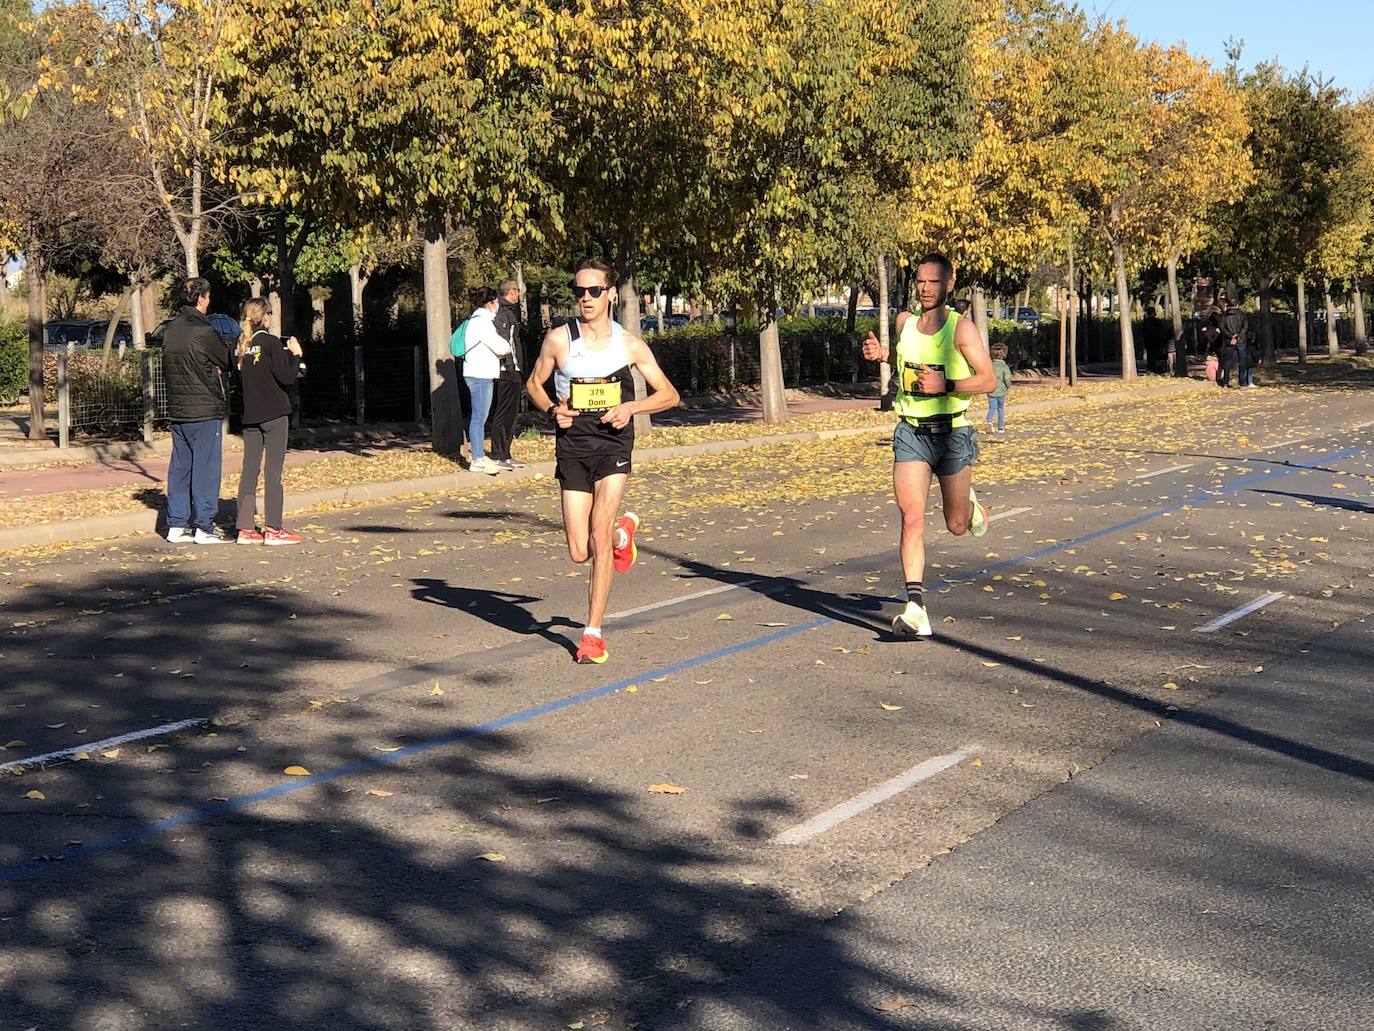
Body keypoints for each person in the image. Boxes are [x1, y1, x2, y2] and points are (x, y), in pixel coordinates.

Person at [525, 257, 681, 664]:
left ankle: (592, 633)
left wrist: (631, 407)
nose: (586, 298)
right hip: (573, 444)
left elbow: (669, 394)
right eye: (579, 291)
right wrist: (550, 412)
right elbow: (533, 384)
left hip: (613, 443)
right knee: (580, 550)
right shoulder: (560, 339)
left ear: (610, 294)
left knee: (597, 530)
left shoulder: (628, 343)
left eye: (594, 291)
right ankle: (621, 537)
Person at [861, 253, 996, 638]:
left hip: (952, 434)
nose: (924, 288)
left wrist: (947, 385)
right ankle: (916, 608)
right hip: (911, 433)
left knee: (955, 525)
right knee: (912, 518)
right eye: (920, 281)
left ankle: (969, 506)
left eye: (933, 282)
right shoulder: (904, 323)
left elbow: (988, 380)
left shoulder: (961, 330)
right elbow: (905, 359)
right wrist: (882, 355)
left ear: (948, 285)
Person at [163, 277, 232, 544]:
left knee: (180, 467)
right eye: (208, 296)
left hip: (178, 408)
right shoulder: (203, 330)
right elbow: (225, 360)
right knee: (206, 468)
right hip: (204, 408)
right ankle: (204, 525)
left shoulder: (171, 329)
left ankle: (177, 524)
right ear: (202, 298)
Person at [234, 298, 303, 545]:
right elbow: (286, 378)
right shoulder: (271, 343)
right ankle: (273, 528)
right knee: (273, 473)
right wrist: (297, 357)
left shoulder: (242, 344)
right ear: (265, 317)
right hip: (274, 414)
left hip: (250, 416)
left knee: (249, 472)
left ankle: (244, 528)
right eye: (271, 313)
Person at [461, 285, 512, 475]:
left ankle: (480, 456)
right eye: (496, 301)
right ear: (490, 302)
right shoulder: (482, 321)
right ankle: (478, 459)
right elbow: (501, 347)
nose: (498, 305)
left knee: (479, 417)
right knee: (479, 418)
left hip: (478, 372)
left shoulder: (475, 319)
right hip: (480, 374)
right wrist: (506, 345)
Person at [488, 278, 525, 470]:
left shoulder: (509, 312)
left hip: (513, 370)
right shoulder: (502, 314)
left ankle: (506, 453)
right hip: (506, 371)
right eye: (517, 291)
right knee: (503, 413)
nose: (519, 295)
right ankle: (498, 454)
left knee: (512, 414)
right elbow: (505, 344)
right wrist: (511, 367)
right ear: (511, 292)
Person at [1220, 294, 1248, 388]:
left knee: (1227, 361)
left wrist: (1231, 336)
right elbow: (1245, 327)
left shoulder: (1224, 316)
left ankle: (1225, 382)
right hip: (1241, 340)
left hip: (1229, 341)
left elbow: (1222, 328)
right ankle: (1243, 383)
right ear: (1237, 305)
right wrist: (1238, 336)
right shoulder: (1242, 315)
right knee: (1242, 362)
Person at [987, 342, 1012, 433]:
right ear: (1004, 354)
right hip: (1001, 391)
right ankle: (1000, 427)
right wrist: (1008, 385)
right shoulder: (1004, 366)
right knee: (1000, 408)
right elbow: (1007, 378)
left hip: (991, 390)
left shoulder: (989, 366)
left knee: (992, 408)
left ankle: (989, 421)